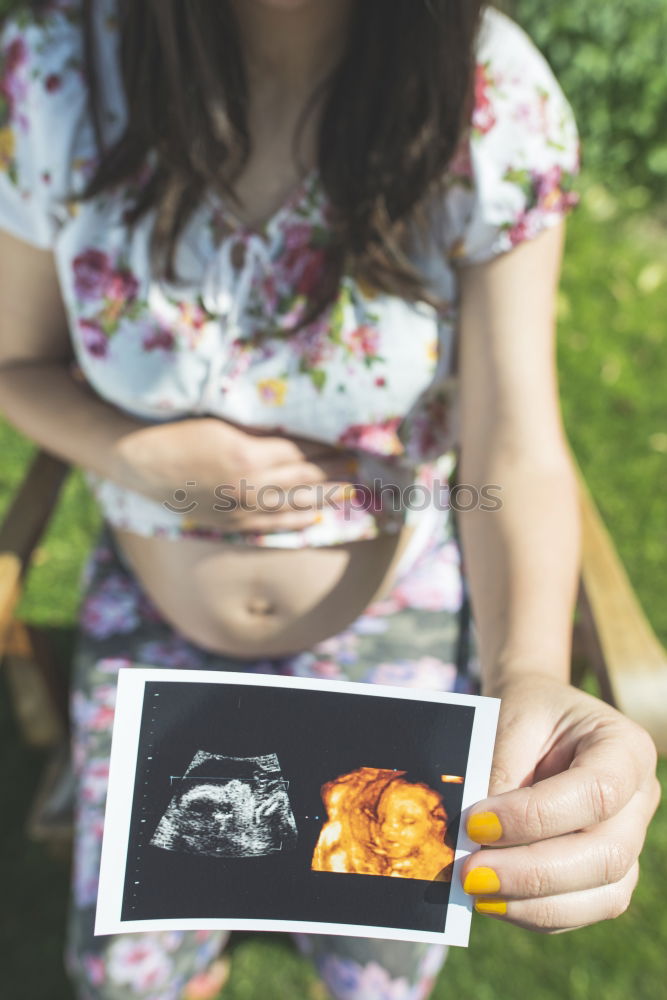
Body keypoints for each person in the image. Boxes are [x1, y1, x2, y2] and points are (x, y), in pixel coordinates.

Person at [0, 0, 660, 998]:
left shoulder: (492, 97)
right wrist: (129, 451)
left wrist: (528, 669)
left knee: (378, 975)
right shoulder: (53, 71)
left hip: (392, 632)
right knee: (126, 976)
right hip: (156, 642)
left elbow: (512, 437)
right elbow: (15, 362)